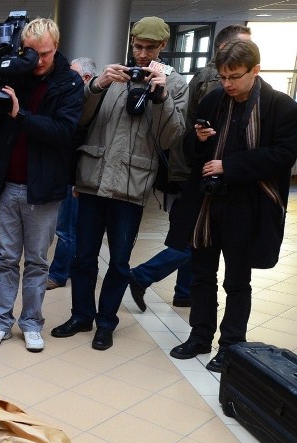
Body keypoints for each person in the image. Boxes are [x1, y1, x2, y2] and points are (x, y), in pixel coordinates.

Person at [50, 16, 188, 351]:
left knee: (120, 262)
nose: (142, 55)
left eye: (150, 48)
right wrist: (96, 86)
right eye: (138, 47)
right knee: (83, 256)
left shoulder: (176, 83)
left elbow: (171, 137)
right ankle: (82, 315)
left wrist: (161, 96)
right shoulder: (114, 77)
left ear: (163, 47)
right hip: (94, 179)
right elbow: (78, 119)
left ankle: (106, 323)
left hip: (132, 185)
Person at [169, 39, 297, 372]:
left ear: (256, 70)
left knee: (237, 281)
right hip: (209, 204)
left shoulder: (280, 106)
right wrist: (197, 141)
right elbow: (191, 150)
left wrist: (230, 165)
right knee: (201, 275)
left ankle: (231, 346)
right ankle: (199, 336)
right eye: (223, 76)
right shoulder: (214, 99)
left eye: (235, 77)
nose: (227, 84)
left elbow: (284, 156)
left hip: (248, 206)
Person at [0, 18, 84, 352]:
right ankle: (0, 322)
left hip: (44, 188)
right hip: (6, 184)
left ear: (57, 47)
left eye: (45, 54)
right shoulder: (15, 75)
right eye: (31, 53)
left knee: (37, 262)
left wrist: (21, 116)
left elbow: (63, 132)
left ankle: (32, 323)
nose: (38, 61)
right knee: (5, 259)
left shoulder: (69, 83)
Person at [128, 25, 252, 312]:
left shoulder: (209, 77)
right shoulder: (214, 80)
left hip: (195, 167)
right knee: (193, 236)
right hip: (196, 170)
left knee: (193, 235)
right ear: (224, 49)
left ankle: (184, 292)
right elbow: (208, 131)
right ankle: (142, 275)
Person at [46, 56, 96, 290]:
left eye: (73, 74)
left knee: (66, 229)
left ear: (87, 78)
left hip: (77, 177)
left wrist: (76, 181)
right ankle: (71, 268)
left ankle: (58, 274)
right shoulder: (77, 102)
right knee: (73, 228)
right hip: (72, 175)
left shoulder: (88, 107)